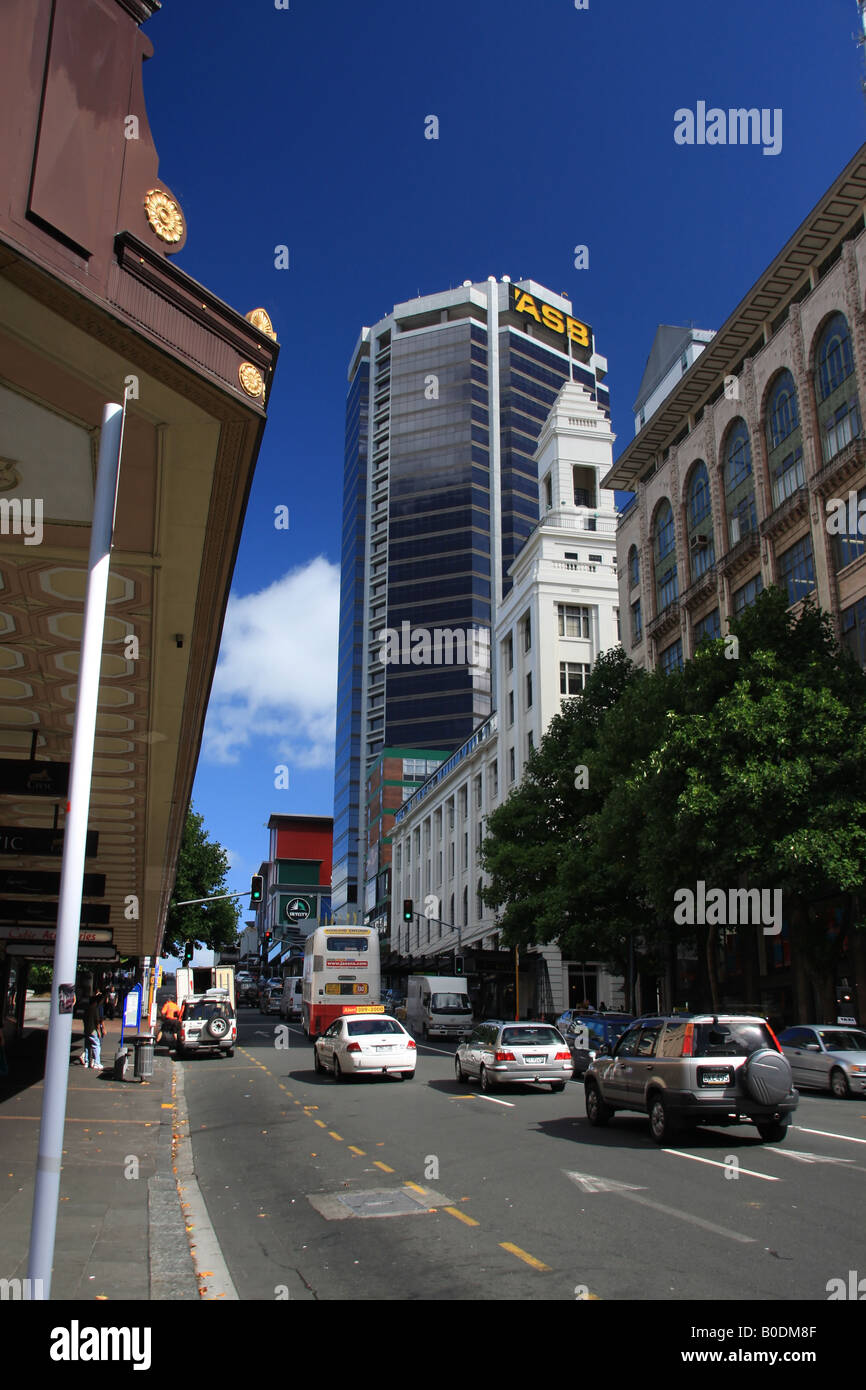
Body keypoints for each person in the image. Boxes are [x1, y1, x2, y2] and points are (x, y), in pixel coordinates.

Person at [83, 993, 103, 1070]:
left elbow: (83, 1019)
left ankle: (87, 1062)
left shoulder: (87, 1008)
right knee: (96, 1045)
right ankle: (96, 1063)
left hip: (86, 1029)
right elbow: (97, 1022)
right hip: (93, 1029)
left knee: (87, 1046)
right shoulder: (95, 1009)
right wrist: (99, 1031)